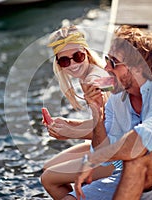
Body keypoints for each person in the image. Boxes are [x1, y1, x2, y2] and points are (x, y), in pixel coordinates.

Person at [61, 25, 152, 200]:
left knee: (139, 158)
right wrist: (97, 114)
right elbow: (104, 154)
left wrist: (94, 158)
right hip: (127, 177)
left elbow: (142, 140)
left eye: (113, 62)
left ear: (138, 68)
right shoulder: (117, 99)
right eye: (107, 59)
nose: (106, 67)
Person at [41, 25, 121, 200]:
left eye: (77, 56)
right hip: (107, 146)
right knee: (48, 167)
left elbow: (110, 132)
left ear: (86, 52)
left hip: (117, 155)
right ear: (58, 64)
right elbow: (104, 120)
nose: (73, 64)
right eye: (65, 61)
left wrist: (69, 134)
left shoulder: (93, 80)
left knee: (48, 179)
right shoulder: (89, 76)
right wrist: (69, 124)